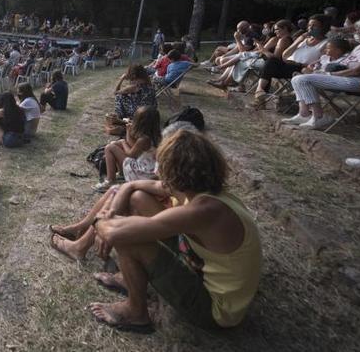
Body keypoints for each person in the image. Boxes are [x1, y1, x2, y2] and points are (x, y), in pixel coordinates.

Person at [87, 130, 261, 333]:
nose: (157, 170)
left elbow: (115, 233)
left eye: (160, 165)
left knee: (129, 237)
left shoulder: (203, 211)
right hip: (199, 268)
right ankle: (129, 278)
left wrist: (100, 221)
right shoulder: (204, 191)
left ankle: (136, 313)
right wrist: (122, 197)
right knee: (138, 198)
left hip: (215, 310)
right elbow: (141, 186)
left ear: (173, 172)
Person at [283, 17, 360, 130]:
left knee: (302, 80)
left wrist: (329, 75)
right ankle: (304, 114)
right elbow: (345, 61)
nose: (355, 32)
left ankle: (319, 117)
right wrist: (320, 65)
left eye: (358, 29)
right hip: (348, 77)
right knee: (298, 78)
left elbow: (357, 70)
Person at [251, 14, 329, 108]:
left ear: (323, 27)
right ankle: (260, 92)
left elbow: (321, 62)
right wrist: (299, 40)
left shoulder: (326, 43)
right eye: (309, 25)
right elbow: (285, 55)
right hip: (288, 65)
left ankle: (259, 96)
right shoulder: (304, 40)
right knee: (270, 63)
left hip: (302, 69)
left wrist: (301, 64)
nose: (310, 28)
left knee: (270, 63)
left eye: (314, 25)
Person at [96, 106, 161, 191]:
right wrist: (127, 136)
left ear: (140, 122)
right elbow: (135, 147)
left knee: (110, 147)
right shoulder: (156, 136)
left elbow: (130, 154)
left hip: (142, 174)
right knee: (117, 144)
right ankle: (121, 174)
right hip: (149, 170)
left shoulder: (144, 139)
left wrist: (125, 138)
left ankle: (110, 180)